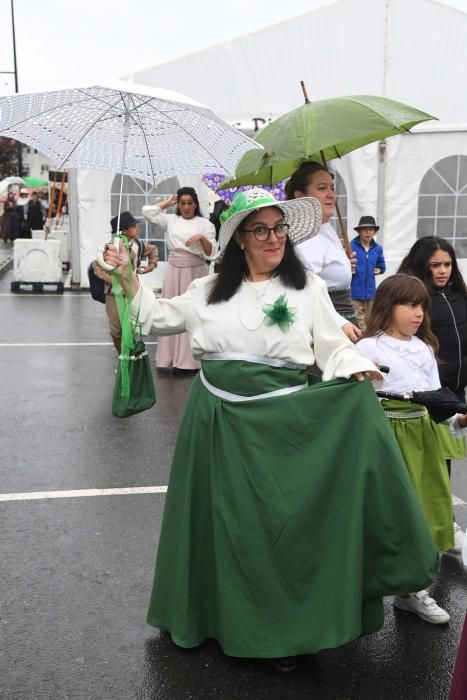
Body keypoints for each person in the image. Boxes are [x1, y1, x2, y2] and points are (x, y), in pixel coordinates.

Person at [104, 188, 439, 672]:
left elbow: (332, 346)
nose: (273, 238)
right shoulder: (208, 290)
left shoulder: (306, 289)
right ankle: (209, 617)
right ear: (239, 238)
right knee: (221, 528)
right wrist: (124, 278)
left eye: (279, 228)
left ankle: (283, 632)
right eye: (260, 229)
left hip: (283, 426)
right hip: (215, 422)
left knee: (275, 534)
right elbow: (152, 317)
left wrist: (354, 364)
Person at [357, 274, 467, 624]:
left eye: (422, 306)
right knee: (385, 513)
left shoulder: (423, 348)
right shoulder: (368, 348)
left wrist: (459, 421)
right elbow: (353, 399)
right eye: (410, 305)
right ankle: (362, 589)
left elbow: (437, 402)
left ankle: (412, 591)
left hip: (422, 437)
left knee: (424, 510)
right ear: (388, 307)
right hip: (384, 435)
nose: (418, 313)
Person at [398, 236, 467, 552]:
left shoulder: (459, 295)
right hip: (428, 396)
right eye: (435, 264)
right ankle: (426, 526)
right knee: (428, 465)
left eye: (447, 264)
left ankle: (444, 525)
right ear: (422, 264)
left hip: (456, 391)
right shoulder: (416, 299)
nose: (442, 271)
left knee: (447, 462)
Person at [142, 187, 217, 373]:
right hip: (174, 271)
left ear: (196, 204)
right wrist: (167, 203)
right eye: (182, 203)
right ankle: (168, 358)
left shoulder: (205, 224)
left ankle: (190, 361)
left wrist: (201, 238)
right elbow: (148, 212)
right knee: (171, 310)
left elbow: (212, 252)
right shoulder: (171, 220)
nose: (186, 207)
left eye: (189, 203)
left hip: (196, 271)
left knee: (194, 312)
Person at [285, 160, 360, 342]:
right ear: (300, 196)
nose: (331, 195)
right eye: (322, 188)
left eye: (332, 188)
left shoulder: (324, 227)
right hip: (326, 326)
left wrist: (343, 264)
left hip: (341, 320)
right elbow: (306, 291)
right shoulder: (302, 236)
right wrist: (337, 321)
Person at [93, 211, 158, 354]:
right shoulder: (110, 248)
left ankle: (131, 359)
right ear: (123, 230)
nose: (137, 229)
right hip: (113, 295)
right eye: (134, 226)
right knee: (116, 331)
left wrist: (150, 266)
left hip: (133, 294)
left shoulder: (138, 245)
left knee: (132, 328)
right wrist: (114, 280)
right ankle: (122, 356)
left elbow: (153, 250)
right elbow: (97, 266)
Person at [350, 215, 386, 330]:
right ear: (359, 232)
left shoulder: (378, 248)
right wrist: (349, 268)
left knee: (370, 318)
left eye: (371, 230)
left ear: (374, 232)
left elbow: (382, 265)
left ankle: (367, 337)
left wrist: (380, 270)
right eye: (365, 229)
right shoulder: (350, 246)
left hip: (370, 292)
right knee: (358, 319)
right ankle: (360, 339)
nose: (368, 232)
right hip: (355, 291)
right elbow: (344, 263)